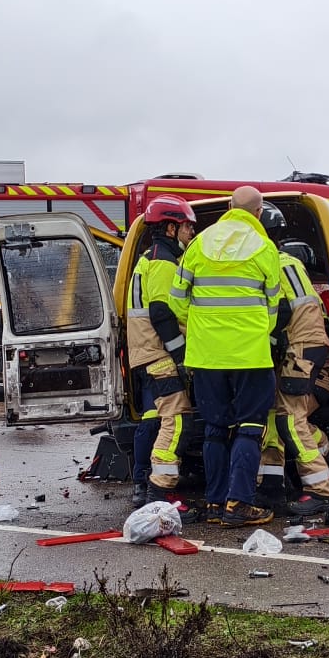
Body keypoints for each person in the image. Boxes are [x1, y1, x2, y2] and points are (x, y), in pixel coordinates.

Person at [176, 186, 287, 527]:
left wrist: (203, 329)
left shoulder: (198, 244)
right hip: (250, 355)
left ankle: (214, 504)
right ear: (258, 213)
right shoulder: (264, 248)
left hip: (206, 356)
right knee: (250, 427)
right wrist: (252, 331)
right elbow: (274, 305)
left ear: (228, 207)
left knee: (214, 428)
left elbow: (178, 300)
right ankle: (238, 504)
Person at [255, 204, 329, 517]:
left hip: (300, 345)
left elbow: (282, 310)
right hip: (311, 344)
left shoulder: (268, 262)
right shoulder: (289, 260)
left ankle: (320, 489)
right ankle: (271, 487)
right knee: (279, 413)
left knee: (290, 417)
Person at [126, 197, 196, 505]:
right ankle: (157, 489)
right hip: (158, 351)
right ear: (171, 227)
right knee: (176, 418)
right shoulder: (164, 261)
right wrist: (180, 355)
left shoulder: (151, 257)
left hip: (147, 351)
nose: (191, 233)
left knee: (154, 417)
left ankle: (145, 484)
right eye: (187, 227)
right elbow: (162, 312)